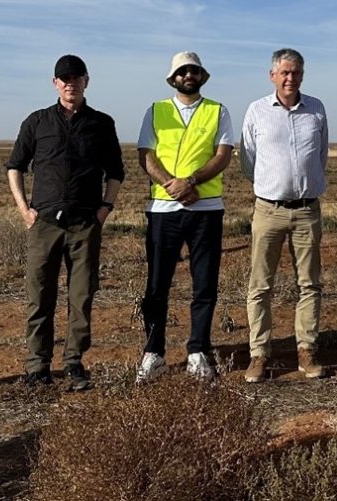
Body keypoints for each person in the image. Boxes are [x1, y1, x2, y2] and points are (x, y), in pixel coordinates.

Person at [5, 54, 124, 391]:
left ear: (87, 81)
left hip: (85, 223)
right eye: (64, 78)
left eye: (76, 77)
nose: (70, 83)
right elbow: (15, 166)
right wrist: (23, 210)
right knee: (39, 294)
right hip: (43, 223)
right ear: (54, 83)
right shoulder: (37, 122)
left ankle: (74, 363)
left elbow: (115, 172)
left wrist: (105, 209)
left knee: (81, 294)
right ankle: (37, 366)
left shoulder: (101, 123)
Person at [135, 51, 234, 383]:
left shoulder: (217, 111)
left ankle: (198, 351)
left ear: (201, 76)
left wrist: (191, 182)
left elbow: (223, 155)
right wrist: (170, 185)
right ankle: (154, 353)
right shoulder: (156, 110)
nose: (188, 75)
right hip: (164, 210)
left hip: (205, 209)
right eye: (182, 71)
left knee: (204, 284)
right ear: (172, 78)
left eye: (194, 70)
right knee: (157, 285)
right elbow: (145, 154)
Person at [240, 48, 329, 383]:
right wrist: (272, 185)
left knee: (309, 284)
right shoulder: (257, 111)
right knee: (260, 285)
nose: (290, 78)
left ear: (302, 75)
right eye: (285, 72)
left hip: (307, 210)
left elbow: (321, 155)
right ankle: (259, 354)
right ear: (273, 75)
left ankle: (307, 351)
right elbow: (247, 160)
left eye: (296, 72)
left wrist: (302, 185)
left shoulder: (316, 109)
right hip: (269, 210)